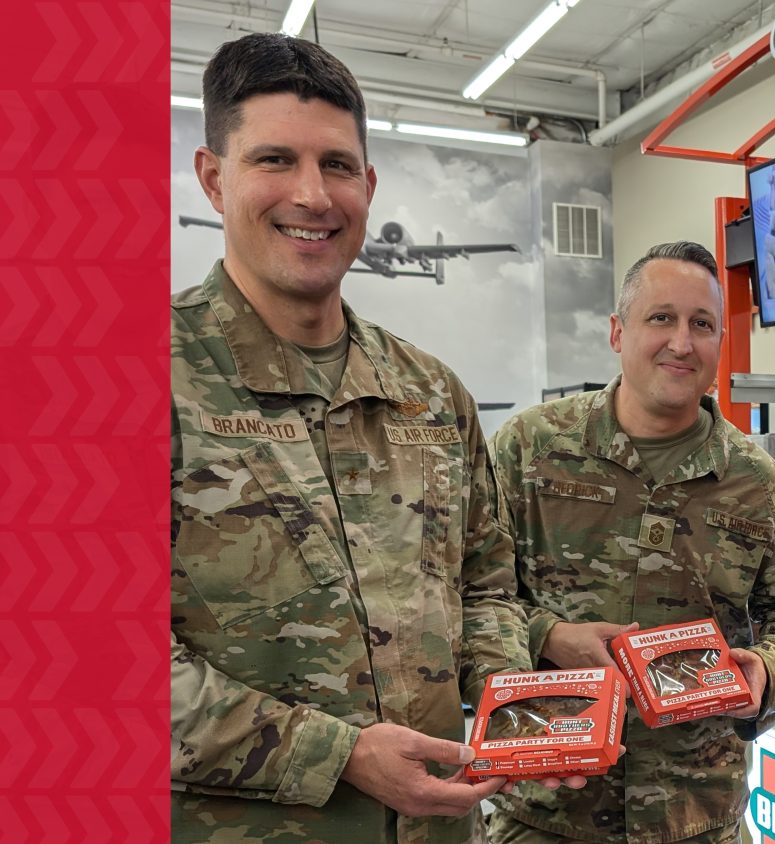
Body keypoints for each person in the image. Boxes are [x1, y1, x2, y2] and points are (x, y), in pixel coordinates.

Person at [170, 33, 551, 843]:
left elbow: (486, 589)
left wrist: (510, 702)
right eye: (274, 159)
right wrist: (334, 754)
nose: (313, 195)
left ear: (368, 185)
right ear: (213, 177)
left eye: (337, 166)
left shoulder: (432, 394)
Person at [484, 242, 775, 843]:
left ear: (718, 345)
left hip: (696, 816)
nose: (682, 342)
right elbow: (467, 590)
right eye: (661, 318)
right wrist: (547, 636)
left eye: (702, 324)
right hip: (544, 810)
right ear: (618, 332)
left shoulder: (757, 483)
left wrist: (767, 670)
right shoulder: (529, 449)